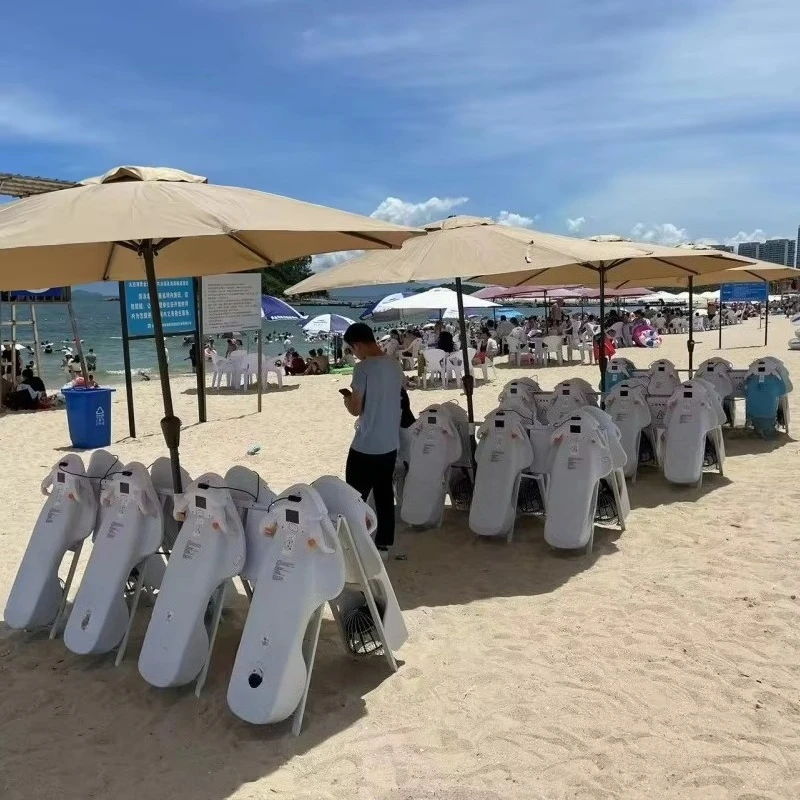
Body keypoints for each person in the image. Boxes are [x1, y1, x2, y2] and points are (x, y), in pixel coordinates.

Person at [341, 323, 405, 556]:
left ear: (357, 345)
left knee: (353, 496)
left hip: (367, 444)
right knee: (384, 493)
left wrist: (347, 399)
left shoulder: (363, 369)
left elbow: (356, 409)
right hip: (390, 442)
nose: (354, 354)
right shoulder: (394, 365)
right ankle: (384, 544)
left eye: (352, 349)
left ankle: (356, 541)